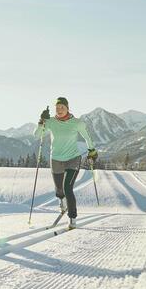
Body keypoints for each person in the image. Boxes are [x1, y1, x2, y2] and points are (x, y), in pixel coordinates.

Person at [34, 97, 98, 229]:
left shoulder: (77, 123)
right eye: (57, 108)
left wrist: (91, 150)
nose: (59, 110)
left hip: (73, 159)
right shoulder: (51, 122)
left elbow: (87, 137)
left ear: (67, 108)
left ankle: (72, 218)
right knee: (59, 189)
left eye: (62, 107)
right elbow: (37, 135)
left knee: (68, 188)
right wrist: (41, 121)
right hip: (56, 159)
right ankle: (62, 203)